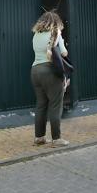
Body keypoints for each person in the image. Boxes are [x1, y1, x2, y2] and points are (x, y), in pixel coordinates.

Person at [31, 11, 70, 147]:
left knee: (41, 105)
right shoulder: (56, 33)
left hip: (35, 71)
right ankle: (57, 139)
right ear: (56, 22)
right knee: (55, 105)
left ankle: (39, 137)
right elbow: (64, 53)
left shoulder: (36, 35)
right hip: (50, 71)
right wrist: (62, 42)